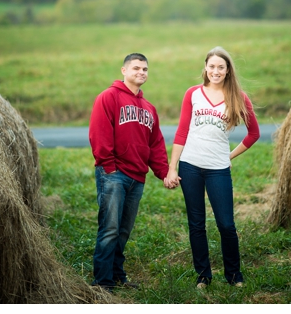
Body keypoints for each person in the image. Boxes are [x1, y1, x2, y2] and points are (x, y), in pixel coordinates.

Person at [164, 46, 260, 289]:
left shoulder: (238, 97)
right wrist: (172, 167)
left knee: (226, 224)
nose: (215, 71)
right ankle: (203, 275)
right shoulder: (193, 94)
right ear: (205, 68)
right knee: (196, 223)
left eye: (221, 67)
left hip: (218, 168)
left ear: (227, 71)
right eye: (212, 66)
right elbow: (182, 131)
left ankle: (234, 274)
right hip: (190, 165)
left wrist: (230, 156)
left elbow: (254, 134)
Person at [89, 52, 170, 291]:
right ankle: (102, 282)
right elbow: (99, 134)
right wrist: (110, 167)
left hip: (137, 177)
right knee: (110, 228)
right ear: (124, 70)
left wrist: (163, 172)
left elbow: (155, 144)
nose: (141, 73)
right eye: (136, 68)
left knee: (123, 231)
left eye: (145, 69)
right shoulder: (108, 97)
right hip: (114, 174)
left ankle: (116, 275)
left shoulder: (149, 108)